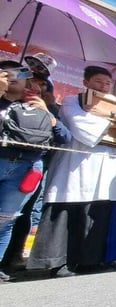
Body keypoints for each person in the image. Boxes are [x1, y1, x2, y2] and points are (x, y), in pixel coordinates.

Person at [27, 66, 116, 276]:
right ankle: (61, 262)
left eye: (107, 83)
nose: (103, 86)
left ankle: (91, 259)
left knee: (99, 218)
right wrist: (114, 123)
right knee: (71, 214)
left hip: (108, 167)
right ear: (86, 82)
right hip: (78, 165)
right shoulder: (73, 101)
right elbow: (82, 127)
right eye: (98, 82)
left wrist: (113, 116)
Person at [0, 60, 69, 282]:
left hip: (27, 167)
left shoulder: (42, 107)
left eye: (38, 82)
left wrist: (47, 113)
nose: (31, 84)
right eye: (9, 75)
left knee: (5, 220)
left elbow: (64, 137)